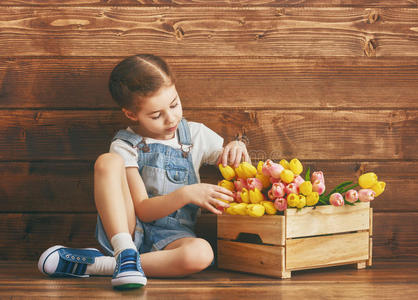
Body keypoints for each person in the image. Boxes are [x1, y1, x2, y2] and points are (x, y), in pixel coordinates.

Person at [38, 54, 250, 290]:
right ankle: (124, 253)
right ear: (131, 114)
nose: (171, 119)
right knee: (108, 161)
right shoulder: (126, 145)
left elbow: (232, 162)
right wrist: (187, 193)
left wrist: (237, 146)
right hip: (129, 230)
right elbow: (144, 210)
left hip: (173, 238)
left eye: (174, 104)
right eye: (156, 115)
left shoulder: (195, 135)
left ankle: (101, 266)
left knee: (201, 253)